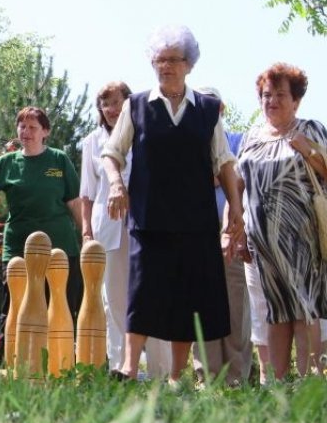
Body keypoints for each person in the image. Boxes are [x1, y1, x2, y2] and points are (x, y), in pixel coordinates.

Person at [102, 25, 243, 384]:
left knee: (188, 298)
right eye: (159, 60)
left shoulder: (208, 110)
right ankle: (130, 369)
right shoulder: (136, 106)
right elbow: (112, 153)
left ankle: (177, 379)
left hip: (195, 220)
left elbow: (224, 162)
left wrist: (236, 212)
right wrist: (117, 183)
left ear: (188, 65)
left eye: (173, 60)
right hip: (150, 219)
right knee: (142, 292)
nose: (165, 66)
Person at [230, 63, 327, 380]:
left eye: (280, 95)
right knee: (275, 312)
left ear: (296, 100)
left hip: (301, 238)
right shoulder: (251, 138)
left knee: (304, 307)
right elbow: (238, 187)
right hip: (261, 245)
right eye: (266, 95)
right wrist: (235, 229)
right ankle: (278, 385)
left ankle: (310, 381)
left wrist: (309, 151)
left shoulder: (310, 129)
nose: (271, 101)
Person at [80, 82, 171, 379]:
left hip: (145, 224)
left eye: (116, 102)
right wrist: (86, 233)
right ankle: (121, 369)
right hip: (107, 228)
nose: (111, 109)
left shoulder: (145, 134)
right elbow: (87, 193)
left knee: (151, 295)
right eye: (105, 103)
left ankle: (162, 371)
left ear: (129, 103)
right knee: (115, 300)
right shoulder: (92, 142)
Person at [0, 106, 82, 353]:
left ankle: (61, 366)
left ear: (45, 131)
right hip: (18, 249)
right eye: (22, 126)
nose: (26, 132)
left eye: (33, 127)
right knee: (15, 307)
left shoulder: (59, 160)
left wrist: (87, 235)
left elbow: (74, 202)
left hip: (60, 248)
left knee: (60, 307)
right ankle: (10, 366)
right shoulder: (6, 163)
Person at [190, 86, 252, 385]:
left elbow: (236, 181)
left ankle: (237, 376)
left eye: (212, 106)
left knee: (234, 307)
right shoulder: (186, 143)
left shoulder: (239, 140)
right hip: (195, 238)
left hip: (232, 234)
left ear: (222, 110)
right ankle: (207, 377)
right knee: (201, 308)